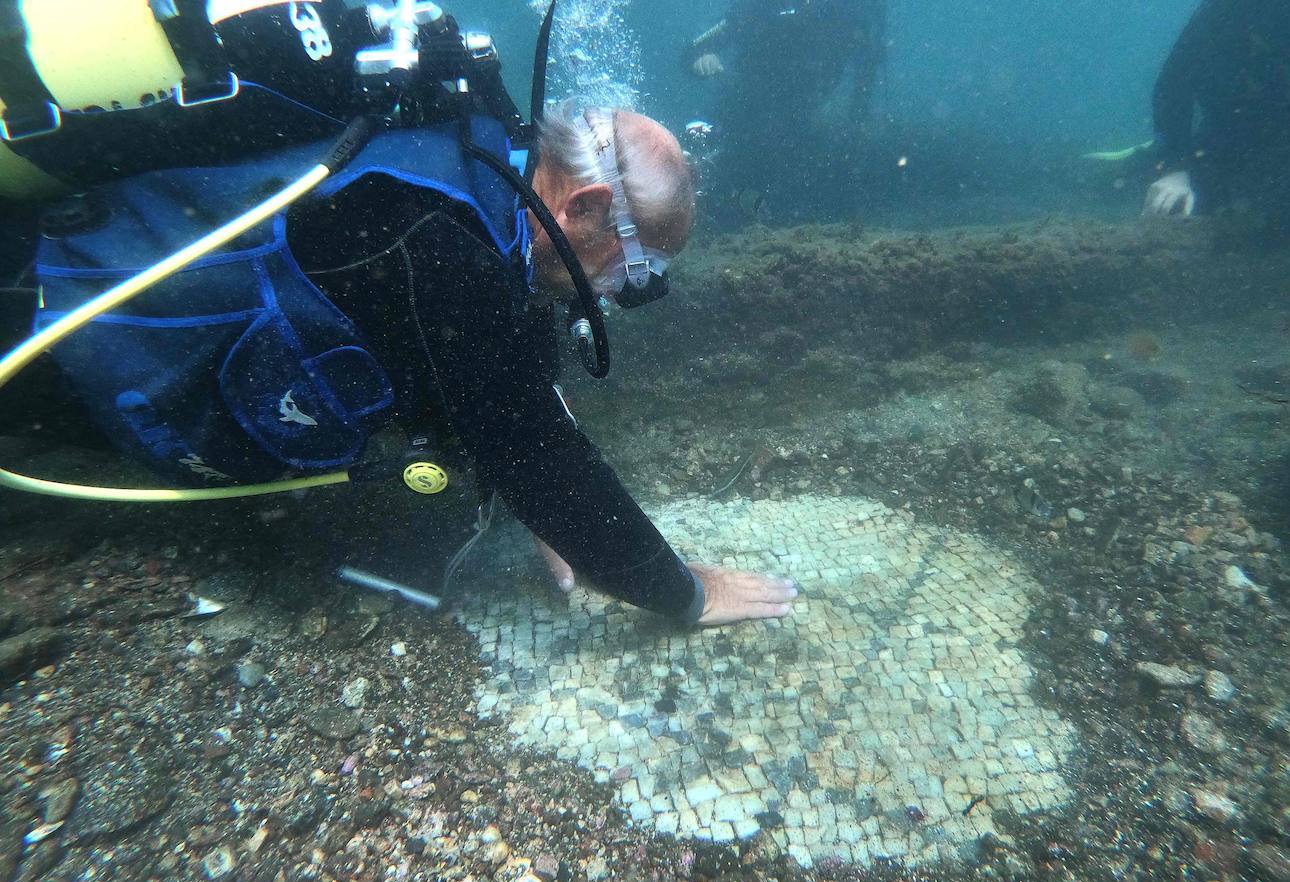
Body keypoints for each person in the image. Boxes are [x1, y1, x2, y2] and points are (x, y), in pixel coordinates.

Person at [0, 0, 796, 629]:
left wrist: (538, 503)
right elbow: (530, 445)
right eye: (640, 266)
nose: (628, 294)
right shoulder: (445, 248)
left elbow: (506, 386)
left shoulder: (474, 153)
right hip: (68, 327)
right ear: (586, 205)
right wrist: (683, 591)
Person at [1142, 0, 1290, 237]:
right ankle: (1135, 162)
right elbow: (1174, 84)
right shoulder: (1228, 9)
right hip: (1235, 133)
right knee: (1183, 207)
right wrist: (1174, 168)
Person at [682, 0, 888, 222]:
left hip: (801, 115)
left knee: (806, 178)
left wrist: (857, 121)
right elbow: (695, 49)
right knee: (732, 178)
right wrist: (702, 58)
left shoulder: (845, 17)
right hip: (747, 113)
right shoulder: (757, 9)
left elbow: (867, 66)